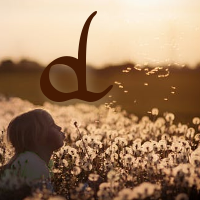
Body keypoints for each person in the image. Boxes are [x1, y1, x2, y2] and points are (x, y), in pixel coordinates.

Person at [0, 109, 65, 193]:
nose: (59, 127)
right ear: (37, 136)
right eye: (52, 125)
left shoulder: (27, 161)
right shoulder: (32, 164)